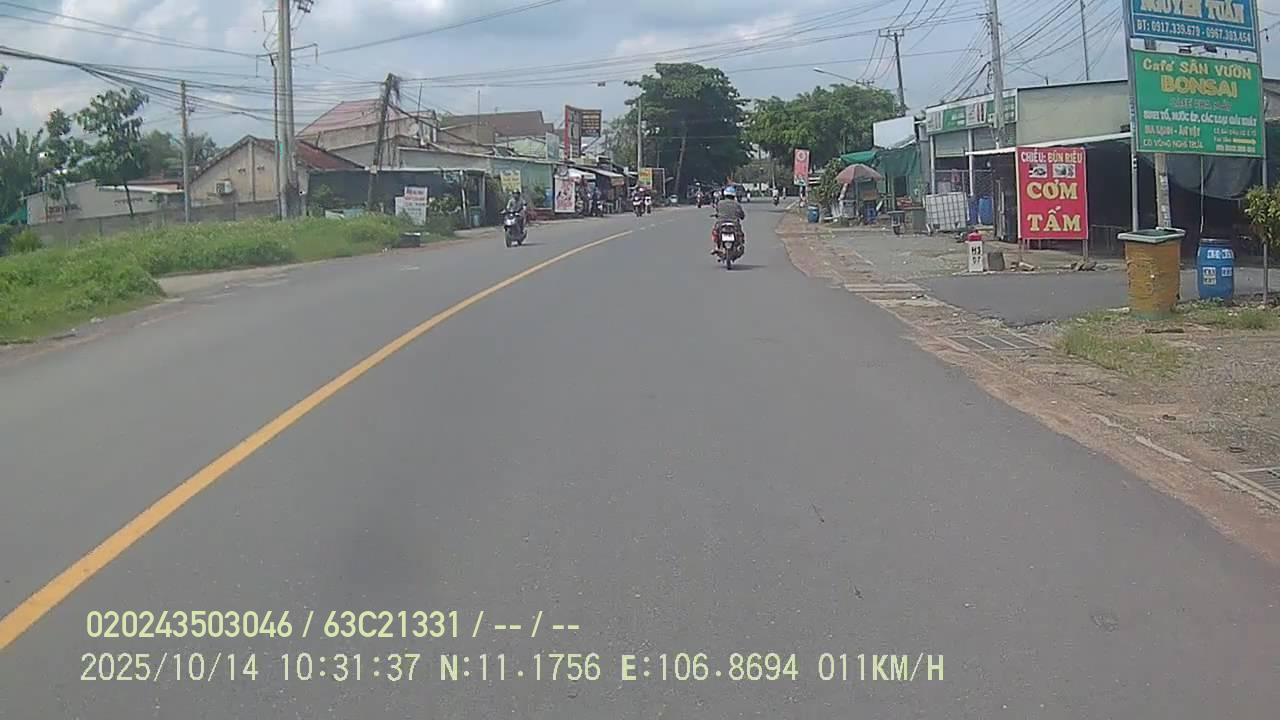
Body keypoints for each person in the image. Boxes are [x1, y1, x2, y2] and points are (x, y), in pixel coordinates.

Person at [712, 185, 746, 254]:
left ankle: (717, 247)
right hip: (734, 223)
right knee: (740, 234)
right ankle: (740, 245)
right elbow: (741, 214)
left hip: (721, 223)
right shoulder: (737, 204)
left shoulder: (720, 203)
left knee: (715, 232)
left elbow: (717, 211)